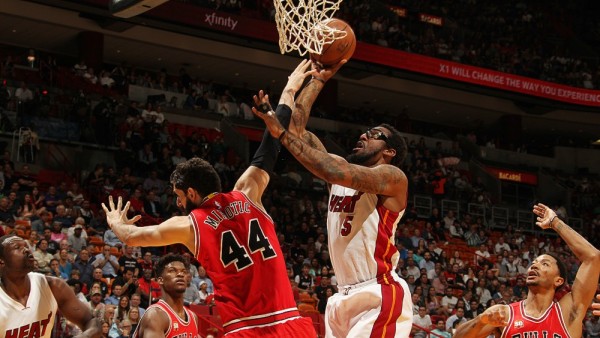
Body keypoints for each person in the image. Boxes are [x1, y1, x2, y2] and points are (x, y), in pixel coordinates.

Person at [103, 60, 317, 337]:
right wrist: (289, 88)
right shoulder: (248, 192)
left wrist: (114, 221)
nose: (178, 203)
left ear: (191, 193)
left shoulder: (189, 225)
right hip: (291, 324)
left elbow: (132, 237)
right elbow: (271, 142)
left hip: (247, 330)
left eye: (179, 196)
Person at [253, 58, 413, 337]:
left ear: (390, 152)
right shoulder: (339, 169)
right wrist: (317, 79)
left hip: (377, 292)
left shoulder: (392, 178)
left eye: (375, 135)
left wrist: (281, 133)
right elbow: (297, 133)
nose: (364, 135)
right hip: (340, 297)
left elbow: (329, 168)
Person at [454, 203, 600, 338]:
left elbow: (593, 257)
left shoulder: (568, 311)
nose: (534, 266)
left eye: (545, 264)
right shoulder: (504, 314)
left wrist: (555, 223)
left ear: (559, 280)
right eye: (533, 263)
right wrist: (480, 321)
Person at [0, 234, 101, 337]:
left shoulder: (53, 286)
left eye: (26, 246)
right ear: (1, 261)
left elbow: (92, 322)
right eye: (17, 247)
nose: (26, 250)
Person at [132, 255, 199, 337]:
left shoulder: (193, 317)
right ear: (160, 280)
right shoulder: (155, 315)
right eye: (172, 271)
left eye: (184, 271)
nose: (180, 274)